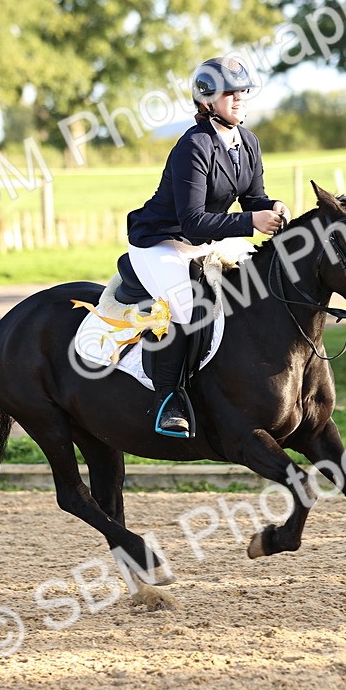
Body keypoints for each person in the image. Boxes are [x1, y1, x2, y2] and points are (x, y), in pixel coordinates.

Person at [125, 57, 288, 437]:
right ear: (206, 101)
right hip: (161, 242)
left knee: (255, 288)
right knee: (188, 308)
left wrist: (272, 209)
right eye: (228, 93)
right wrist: (252, 223)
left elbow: (254, 199)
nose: (238, 99)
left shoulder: (248, 142)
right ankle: (169, 400)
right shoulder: (193, 147)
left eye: (242, 92)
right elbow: (193, 220)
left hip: (205, 241)